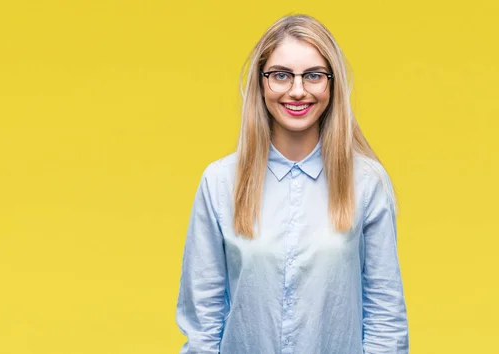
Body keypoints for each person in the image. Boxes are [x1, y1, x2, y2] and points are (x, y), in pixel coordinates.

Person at [175, 14, 409, 354]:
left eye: (313, 75)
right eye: (281, 75)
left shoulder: (367, 183)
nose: (297, 90)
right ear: (260, 82)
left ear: (331, 83)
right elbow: (203, 326)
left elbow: (385, 321)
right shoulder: (219, 182)